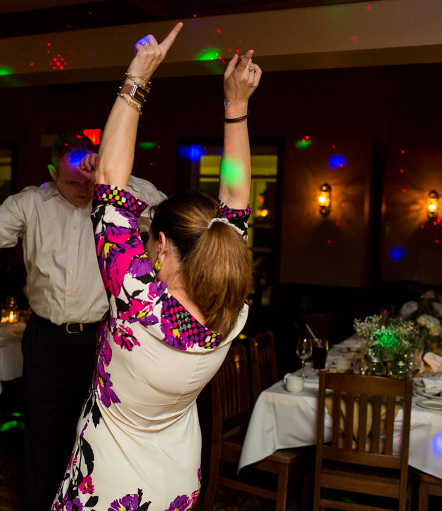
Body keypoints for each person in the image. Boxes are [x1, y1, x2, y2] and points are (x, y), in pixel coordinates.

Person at [52, 22, 260, 510]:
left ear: (163, 247)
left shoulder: (138, 299)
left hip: (112, 482)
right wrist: (237, 106)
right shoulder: (233, 308)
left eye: (149, 241)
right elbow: (236, 196)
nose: (143, 248)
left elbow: (107, 179)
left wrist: (137, 77)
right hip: (179, 473)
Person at [0, 132, 166, 511]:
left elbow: (163, 213)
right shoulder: (31, 203)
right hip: (45, 341)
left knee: (95, 437)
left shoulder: (114, 201)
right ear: (53, 172)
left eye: (89, 179)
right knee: (42, 438)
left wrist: (111, 174)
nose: (83, 188)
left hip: (101, 340)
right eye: (72, 180)